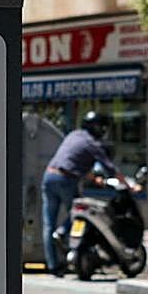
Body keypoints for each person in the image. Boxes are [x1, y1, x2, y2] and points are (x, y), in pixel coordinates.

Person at [41, 111, 121, 276]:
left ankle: (54, 266)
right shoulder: (93, 143)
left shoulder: (73, 135)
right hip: (66, 180)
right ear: (98, 128)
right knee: (79, 214)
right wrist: (129, 185)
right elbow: (110, 169)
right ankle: (63, 233)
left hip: (49, 176)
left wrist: (94, 179)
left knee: (48, 224)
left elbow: (72, 159)